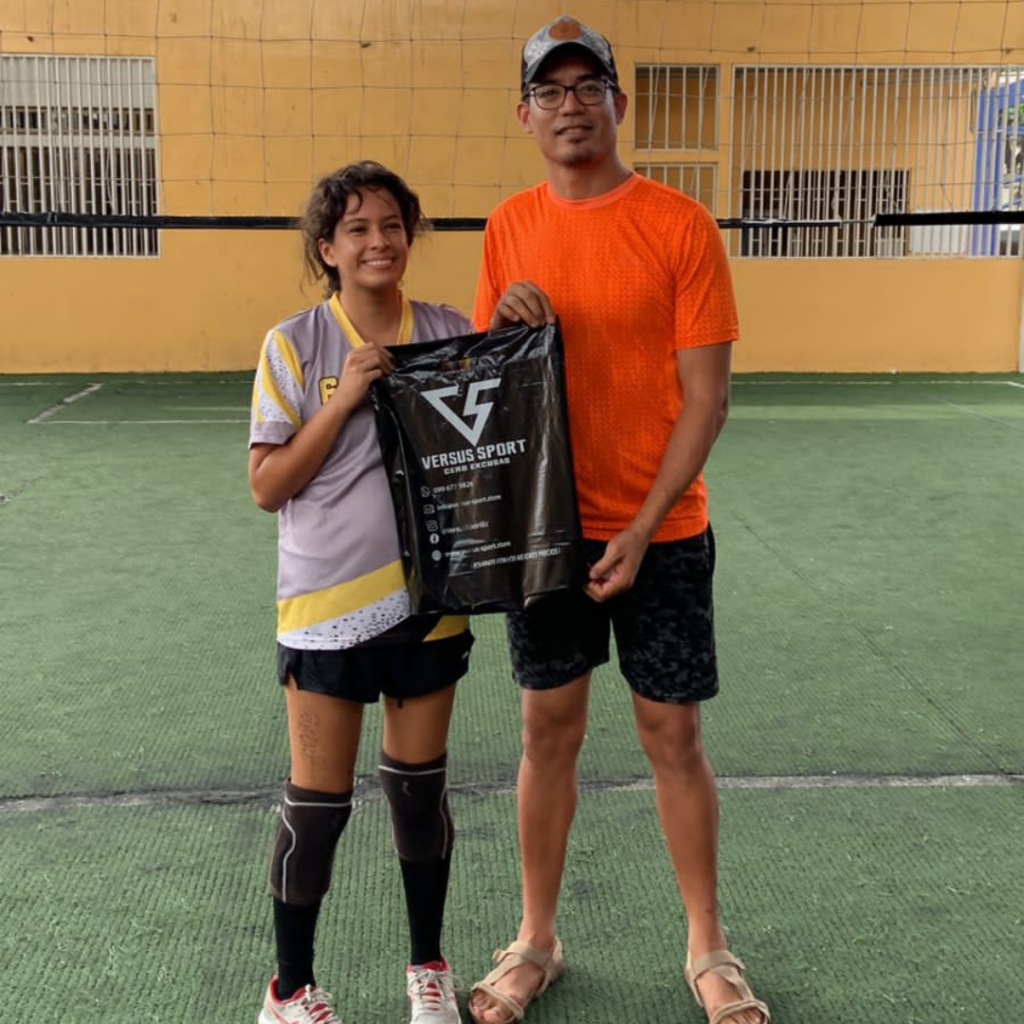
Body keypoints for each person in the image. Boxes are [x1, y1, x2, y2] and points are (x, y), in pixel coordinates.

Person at [466, 17, 769, 1024]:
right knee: (545, 729)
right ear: (524, 115)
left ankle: (707, 947)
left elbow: (705, 398)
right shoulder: (507, 225)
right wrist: (499, 322)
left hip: (663, 528)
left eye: (583, 85)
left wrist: (640, 528)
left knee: (670, 731)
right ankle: (535, 941)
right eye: (546, 92)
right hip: (546, 531)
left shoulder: (681, 226)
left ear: (616, 102)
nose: (567, 105)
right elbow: (488, 394)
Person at [248, 161, 473, 1024]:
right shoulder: (294, 344)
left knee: (420, 793)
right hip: (325, 610)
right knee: (320, 807)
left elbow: (503, 426)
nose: (378, 241)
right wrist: (342, 399)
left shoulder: (449, 330)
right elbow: (269, 486)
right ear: (327, 249)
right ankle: (290, 990)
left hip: (427, 602)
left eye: (391, 224)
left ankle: (428, 971)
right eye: (357, 229)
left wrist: (528, 321)